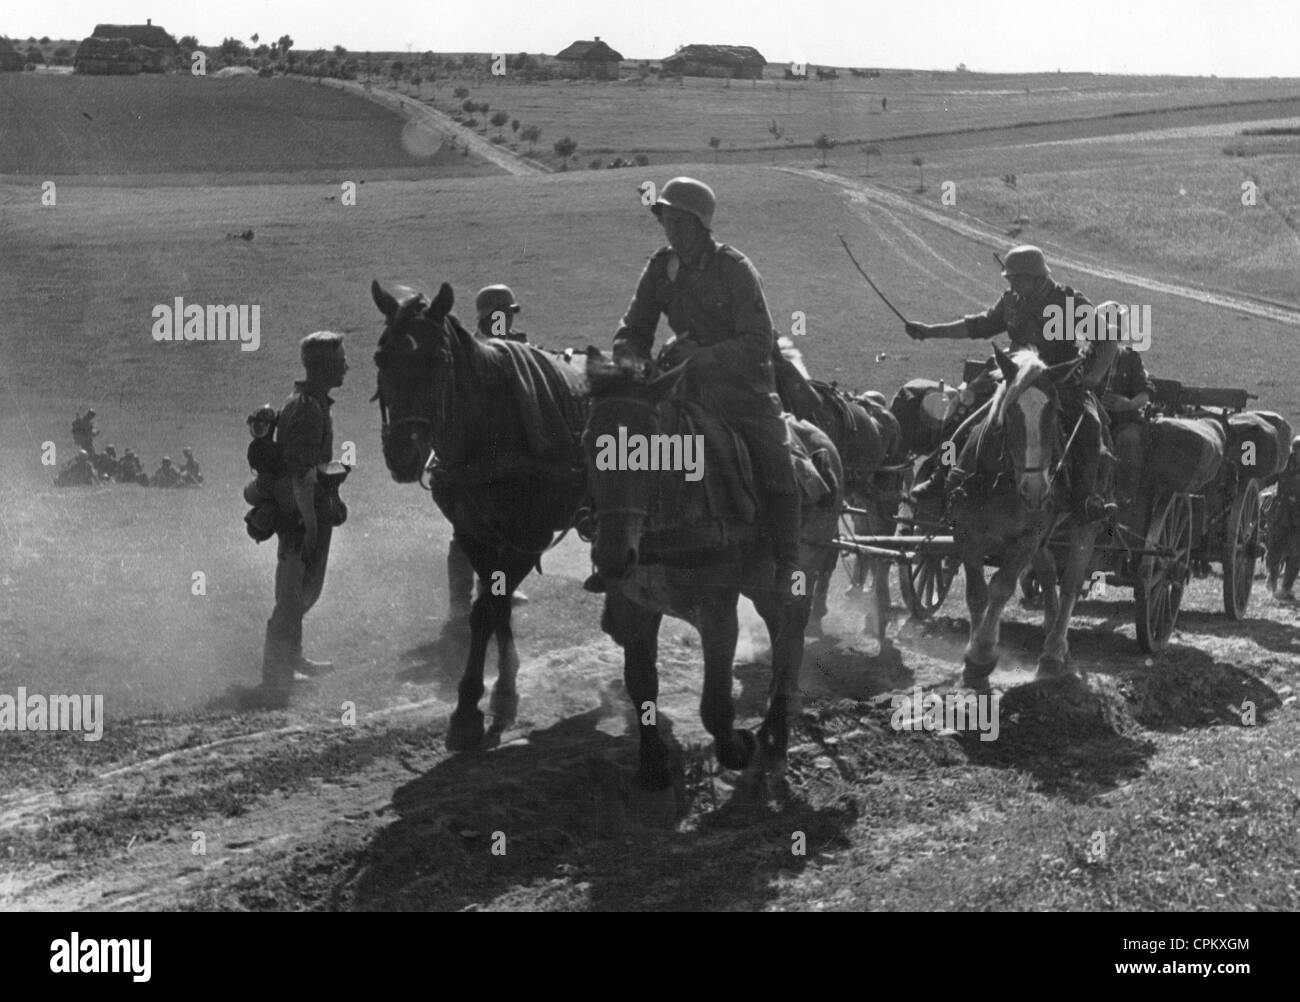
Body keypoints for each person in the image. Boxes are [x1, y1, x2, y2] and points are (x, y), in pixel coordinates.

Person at [599, 176, 801, 599]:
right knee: (617, 450)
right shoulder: (660, 267)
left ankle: (786, 565)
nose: (671, 230)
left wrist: (699, 356)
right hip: (679, 389)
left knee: (778, 467)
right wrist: (632, 364)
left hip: (742, 393)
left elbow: (757, 342)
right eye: (666, 221)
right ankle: (613, 550)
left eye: (680, 222)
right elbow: (633, 328)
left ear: (700, 225)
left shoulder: (735, 269)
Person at [904, 245, 1116, 523]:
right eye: (1010, 279)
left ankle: (1085, 499)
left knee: (1090, 427)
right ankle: (940, 475)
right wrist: (930, 331)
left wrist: (1094, 376)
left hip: (1057, 381)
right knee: (958, 411)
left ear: (1037, 277)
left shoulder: (1069, 302)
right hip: (1012, 376)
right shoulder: (1012, 301)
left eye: (1017, 278)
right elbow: (977, 326)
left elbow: (1107, 340)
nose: (1012, 283)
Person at [254, 331, 348, 708]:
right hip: (300, 516)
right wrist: (309, 523)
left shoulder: (308, 402)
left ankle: (291, 659)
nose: (346, 365)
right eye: (340, 359)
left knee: (300, 592)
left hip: (301, 512)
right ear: (324, 366)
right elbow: (301, 473)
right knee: (293, 596)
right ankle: (275, 678)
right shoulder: (309, 408)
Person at [1267, 437, 1300, 601]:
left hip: (1298, 517)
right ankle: (1272, 579)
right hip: (1281, 514)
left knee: (1296, 553)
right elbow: (1270, 478)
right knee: (1274, 549)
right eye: (1298, 451)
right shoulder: (1284, 465)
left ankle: (1286, 588)